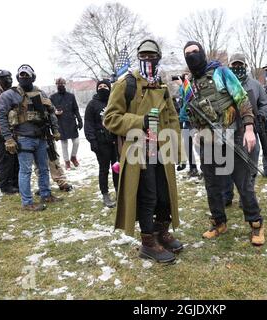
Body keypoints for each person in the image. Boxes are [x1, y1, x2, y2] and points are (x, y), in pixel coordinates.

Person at [104, 39, 184, 263]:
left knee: (165, 193)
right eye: (144, 56)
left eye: (152, 56)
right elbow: (110, 118)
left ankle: (161, 233)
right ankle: (148, 243)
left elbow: (172, 119)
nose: (148, 60)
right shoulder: (126, 83)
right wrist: (141, 121)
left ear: (159, 57)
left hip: (162, 148)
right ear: (138, 57)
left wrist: (176, 148)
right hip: (138, 149)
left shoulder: (162, 86)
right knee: (148, 195)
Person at [183, 42, 266, 246]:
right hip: (207, 142)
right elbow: (187, 111)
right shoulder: (189, 84)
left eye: (195, 52)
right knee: (212, 186)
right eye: (188, 54)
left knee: (243, 184)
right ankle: (219, 222)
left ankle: (256, 224)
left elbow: (242, 99)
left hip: (232, 136)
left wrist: (248, 128)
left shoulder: (221, 73)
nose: (192, 56)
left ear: (202, 53)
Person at [0, 64, 62, 211]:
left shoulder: (41, 93)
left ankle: (46, 194)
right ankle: (27, 203)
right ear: (18, 77)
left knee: (44, 168)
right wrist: (8, 138)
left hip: (41, 137)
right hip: (23, 138)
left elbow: (50, 113)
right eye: (22, 75)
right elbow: (1, 117)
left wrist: (55, 130)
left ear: (33, 77)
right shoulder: (9, 95)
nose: (24, 78)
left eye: (27, 75)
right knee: (25, 171)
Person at [223, 53, 267, 207]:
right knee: (227, 164)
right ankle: (227, 195)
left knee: (251, 164)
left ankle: (247, 197)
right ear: (229, 67)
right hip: (229, 130)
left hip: (250, 130)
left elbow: (265, 103)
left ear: (245, 66)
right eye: (234, 65)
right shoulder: (223, 85)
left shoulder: (255, 85)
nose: (237, 68)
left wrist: (262, 116)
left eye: (240, 65)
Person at [84, 79, 119, 208]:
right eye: (100, 86)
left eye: (105, 86)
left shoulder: (114, 102)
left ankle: (118, 191)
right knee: (104, 169)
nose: (103, 88)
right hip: (101, 143)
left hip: (115, 141)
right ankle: (105, 194)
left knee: (117, 168)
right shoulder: (92, 104)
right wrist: (92, 140)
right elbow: (88, 124)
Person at [50, 78, 83, 169]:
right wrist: (55, 113)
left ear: (65, 84)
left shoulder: (71, 96)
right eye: (58, 83)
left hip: (71, 121)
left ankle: (73, 157)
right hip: (60, 122)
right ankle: (67, 161)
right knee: (64, 144)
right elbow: (49, 110)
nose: (60, 85)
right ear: (56, 84)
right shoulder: (52, 97)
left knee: (76, 142)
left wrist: (79, 120)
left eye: (62, 83)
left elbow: (76, 108)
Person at [174, 73, 200, 178]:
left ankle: (204, 168)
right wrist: (181, 85)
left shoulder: (192, 86)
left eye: (186, 77)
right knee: (187, 145)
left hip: (193, 120)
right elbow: (182, 100)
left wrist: (183, 84)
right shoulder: (183, 87)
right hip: (185, 120)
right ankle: (193, 168)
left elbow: (189, 98)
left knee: (198, 145)